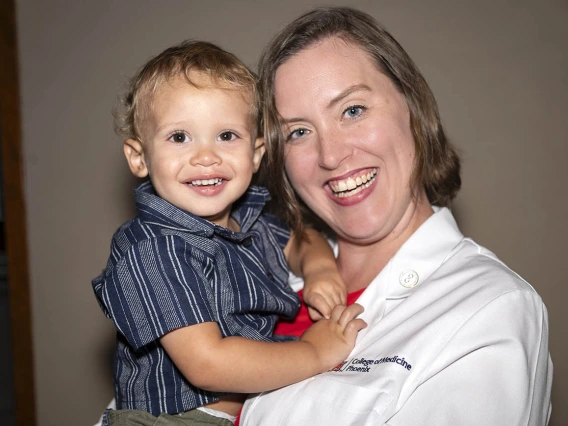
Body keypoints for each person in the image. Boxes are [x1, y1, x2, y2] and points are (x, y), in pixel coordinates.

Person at [241, 6, 553, 426]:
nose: (331, 155)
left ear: (411, 105)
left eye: (352, 110)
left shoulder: (489, 309)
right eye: (299, 131)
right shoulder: (247, 273)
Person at [92, 40, 366, 426]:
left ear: (255, 156)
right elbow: (208, 364)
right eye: (179, 137)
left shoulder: (249, 221)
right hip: (173, 419)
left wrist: (320, 269)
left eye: (226, 136)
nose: (206, 156)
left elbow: (301, 238)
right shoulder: (153, 249)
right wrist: (314, 354)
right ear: (140, 157)